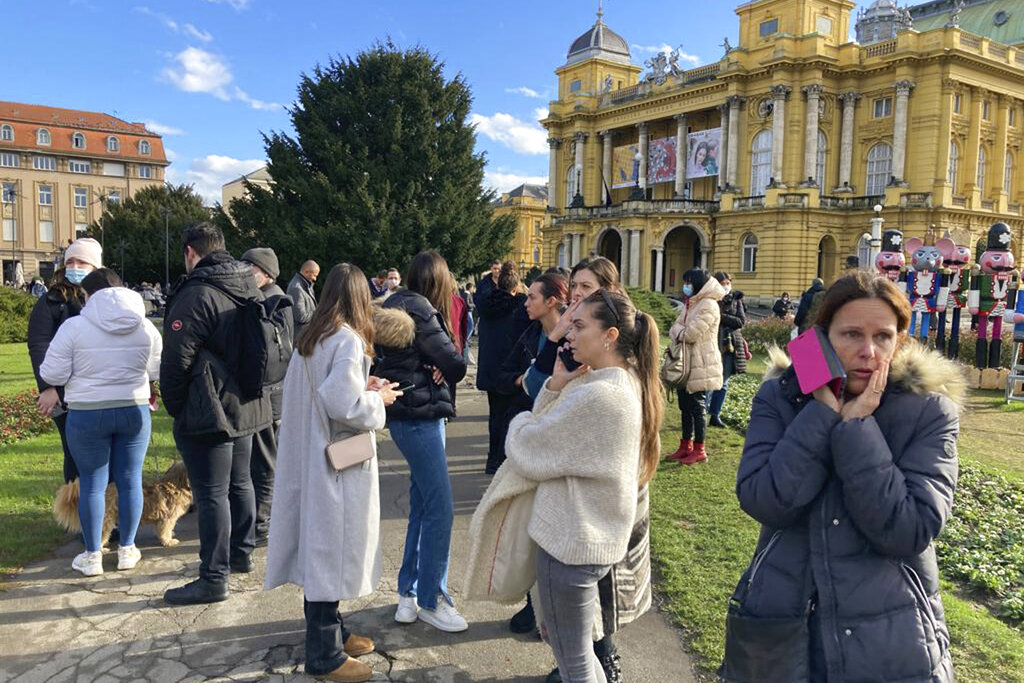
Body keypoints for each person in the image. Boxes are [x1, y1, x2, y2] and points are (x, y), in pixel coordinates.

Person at [723, 271, 960, 682]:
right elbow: (764, 499)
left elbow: (909, 529)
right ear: (822, 336)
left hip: (891, 637)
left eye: (883, 337)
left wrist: (856, 430)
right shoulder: (781, 396)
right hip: (783, 624)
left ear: (899, 341)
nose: (868, 351)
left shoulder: (928, 411)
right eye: (851, 334)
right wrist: (821, 413)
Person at [504, 290, 663, 683]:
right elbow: (548, 429)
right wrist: (557, 384)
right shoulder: (615, 382)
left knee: (573, 659)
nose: (567, 335)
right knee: (578, 654)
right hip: (584, 539)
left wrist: (521, 421)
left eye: (578, 325)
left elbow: (527, 447)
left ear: (609, 336)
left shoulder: (599, 395)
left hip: (571, 544)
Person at [265, 263, 402, 683]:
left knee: (320, 548)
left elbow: (326, 393)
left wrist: (365, 387)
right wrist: (379, 401)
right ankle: (324, 655)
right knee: (330, 549)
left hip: (311, 456)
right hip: (336, 464)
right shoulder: (347, 340)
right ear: (362, 299)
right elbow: (344, 405)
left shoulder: (314, 336)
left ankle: (333, 634)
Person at [160, 223, 272, 605]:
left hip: (209, 406)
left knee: (211, 494)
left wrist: (176, 407)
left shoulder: (198, 293)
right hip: (246, 402)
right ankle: (240, 555)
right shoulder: (246, 283)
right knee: (241, 482)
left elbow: (176, 359)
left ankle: (213, 577)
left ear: (191, 252)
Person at [39, 268, 162, 576]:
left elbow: (52, 374)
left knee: (92, 484)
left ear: (86, 295)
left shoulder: (73, 327)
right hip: (133, 409)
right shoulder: (145, 326)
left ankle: (93, 555)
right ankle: (128, 549)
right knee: (130, 479)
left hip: (87, 412)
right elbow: (157, 369)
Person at [373, 250, 469, 632]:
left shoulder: (393, 303)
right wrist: (438, 365)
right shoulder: (422, 309)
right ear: (439, 280)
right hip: (422, 417)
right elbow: (457, 366)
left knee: (423, 507)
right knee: (441, 510)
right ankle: (432, 598)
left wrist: (431, 364)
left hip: (408, 414)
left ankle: (408, 594)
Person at [29, 237, 102, 483]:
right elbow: (39, 345)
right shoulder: (51, 300)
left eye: (82, 262)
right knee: (74, 455)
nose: (75, 267)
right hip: (63, 392)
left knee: (107, 457)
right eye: (70, 261)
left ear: (95, 268)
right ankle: (76, 514)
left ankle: (108, 514)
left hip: (101, 388)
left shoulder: (108, 298)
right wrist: (47, 387)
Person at [240, 247, 294, 547]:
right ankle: (261, 520)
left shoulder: (269, 300)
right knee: (265, 458)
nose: (245, 271)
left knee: (264, 461)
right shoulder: (276, 297)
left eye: (250, 267)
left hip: (268, 395)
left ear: (265, 273)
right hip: (274, 393)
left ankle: (260, 523)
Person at [666, 268, 725, 465]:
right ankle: (685, 445)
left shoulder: (708, 305)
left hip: (701, 362)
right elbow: (675, 326)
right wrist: (678, 330)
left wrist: (678, 331)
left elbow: (690, 334)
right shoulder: (692, 303)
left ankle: (700, 449)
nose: (686, 286)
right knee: (685, 406)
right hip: (686, 363)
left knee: (697, 407)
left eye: (689, 282)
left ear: (699, 283)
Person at [476, 262, 530, 474]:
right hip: (510, 369)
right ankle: (503, 460)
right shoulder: (521, 306)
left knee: (495, 416)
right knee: (510, 418)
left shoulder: (485, 303)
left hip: (490, 366)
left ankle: (492, 460)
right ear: (516, 287)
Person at [707, 272, 747, 428]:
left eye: (728, 282)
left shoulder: (736, 300)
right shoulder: (709, 298)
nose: (726, 285)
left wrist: (722, 316)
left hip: (730, 344)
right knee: (710, 380)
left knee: (723, 382)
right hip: (713, 342)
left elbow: (740, 321)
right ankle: (703, 411)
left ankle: (715, 415)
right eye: (722, 283)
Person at [288, 260, 320, 340]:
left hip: (306, 336)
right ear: (306, 272)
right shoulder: (296, 289)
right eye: (314, 275)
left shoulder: (306, 286)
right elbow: (300, 316)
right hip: (300, 338)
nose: (315, 279)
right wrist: (319, 312)